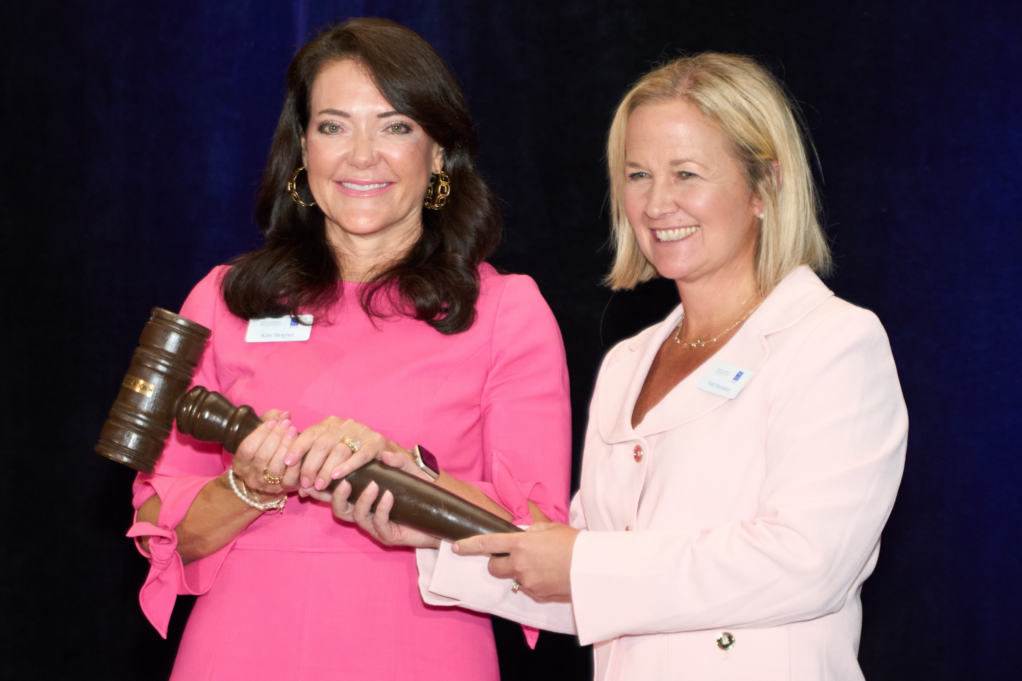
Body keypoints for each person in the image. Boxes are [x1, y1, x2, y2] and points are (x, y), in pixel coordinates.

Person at [347, 53, 908, 680]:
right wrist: (437, 529)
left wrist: (583, 564)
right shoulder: (629, 362)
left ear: (765, 186)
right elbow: (575, 583)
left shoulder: (833, 341)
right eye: (638, 175)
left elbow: (807, 566)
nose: (658, 202)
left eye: (687, 173)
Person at [126, 18, 571, 680]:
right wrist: (249, 486)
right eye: (334, 126)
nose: (362, 155)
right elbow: (161, 530)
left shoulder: (508, 312)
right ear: (302, 149)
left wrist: (405, 472)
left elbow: (536, 538)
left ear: (440, 151)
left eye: (395, 126)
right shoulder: (221, 301)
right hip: (236, 652)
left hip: (419, 654)